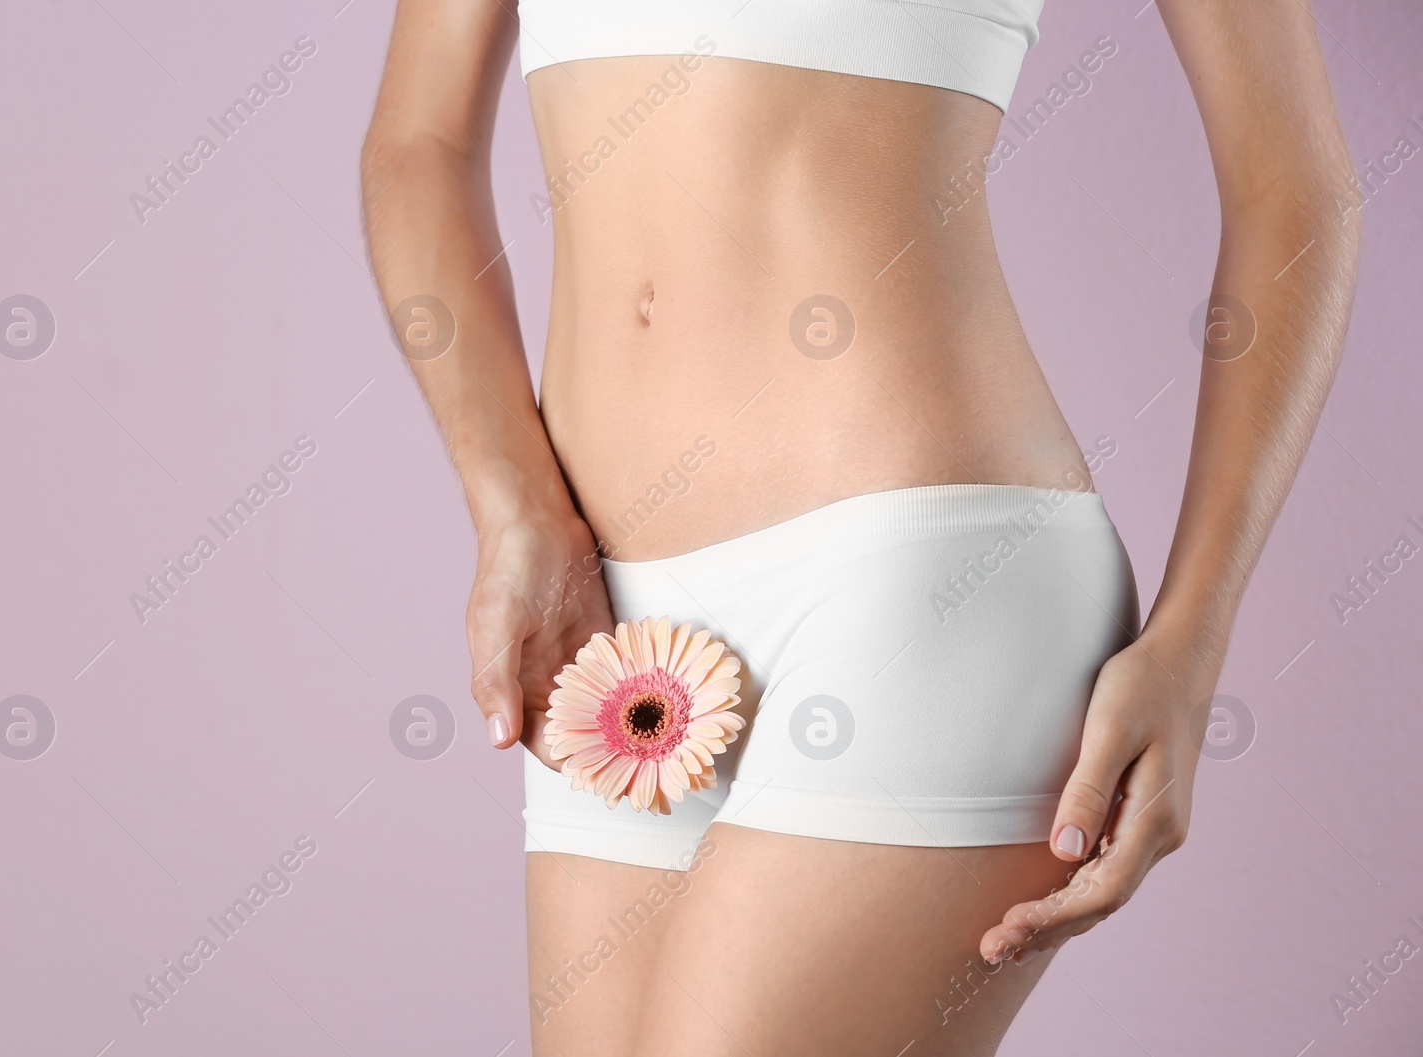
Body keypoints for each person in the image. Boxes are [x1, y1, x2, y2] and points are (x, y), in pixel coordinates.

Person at [360, 2, 1359, 1054]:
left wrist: (1194, 637)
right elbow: (416, 142)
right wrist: (512, 502)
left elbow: (1293, 187)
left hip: (920, 580)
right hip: (606, 614)